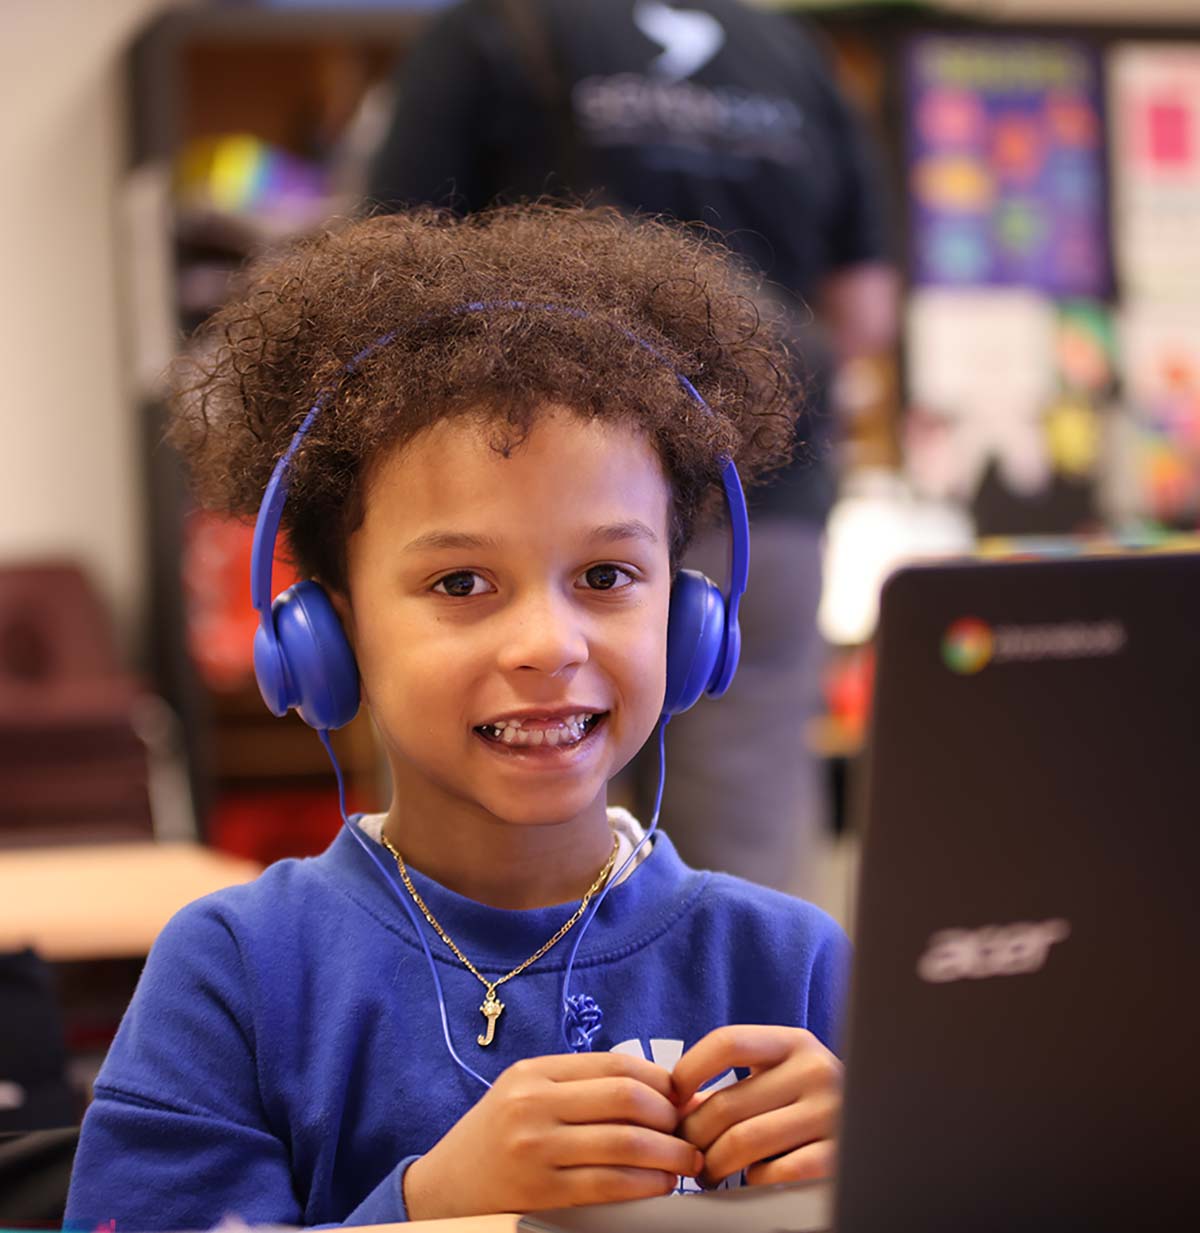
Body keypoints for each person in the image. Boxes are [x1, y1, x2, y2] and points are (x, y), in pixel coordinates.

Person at [64, 205, 848, 1228]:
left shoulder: (792, 966)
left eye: (607, 575)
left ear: (691, 619)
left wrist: (884, 1179)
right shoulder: (240, 972)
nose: (547, 644)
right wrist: (432, 1207)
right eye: (462, 582)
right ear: (331, 635)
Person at [367, 0, 898, 894]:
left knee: (520, 832)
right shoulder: (793, 55)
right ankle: (749, 1034)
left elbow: (389, 284)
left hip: (527, 514)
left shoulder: (494, 33)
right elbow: (863, 312)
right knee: (749, 853)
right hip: (760, 503)